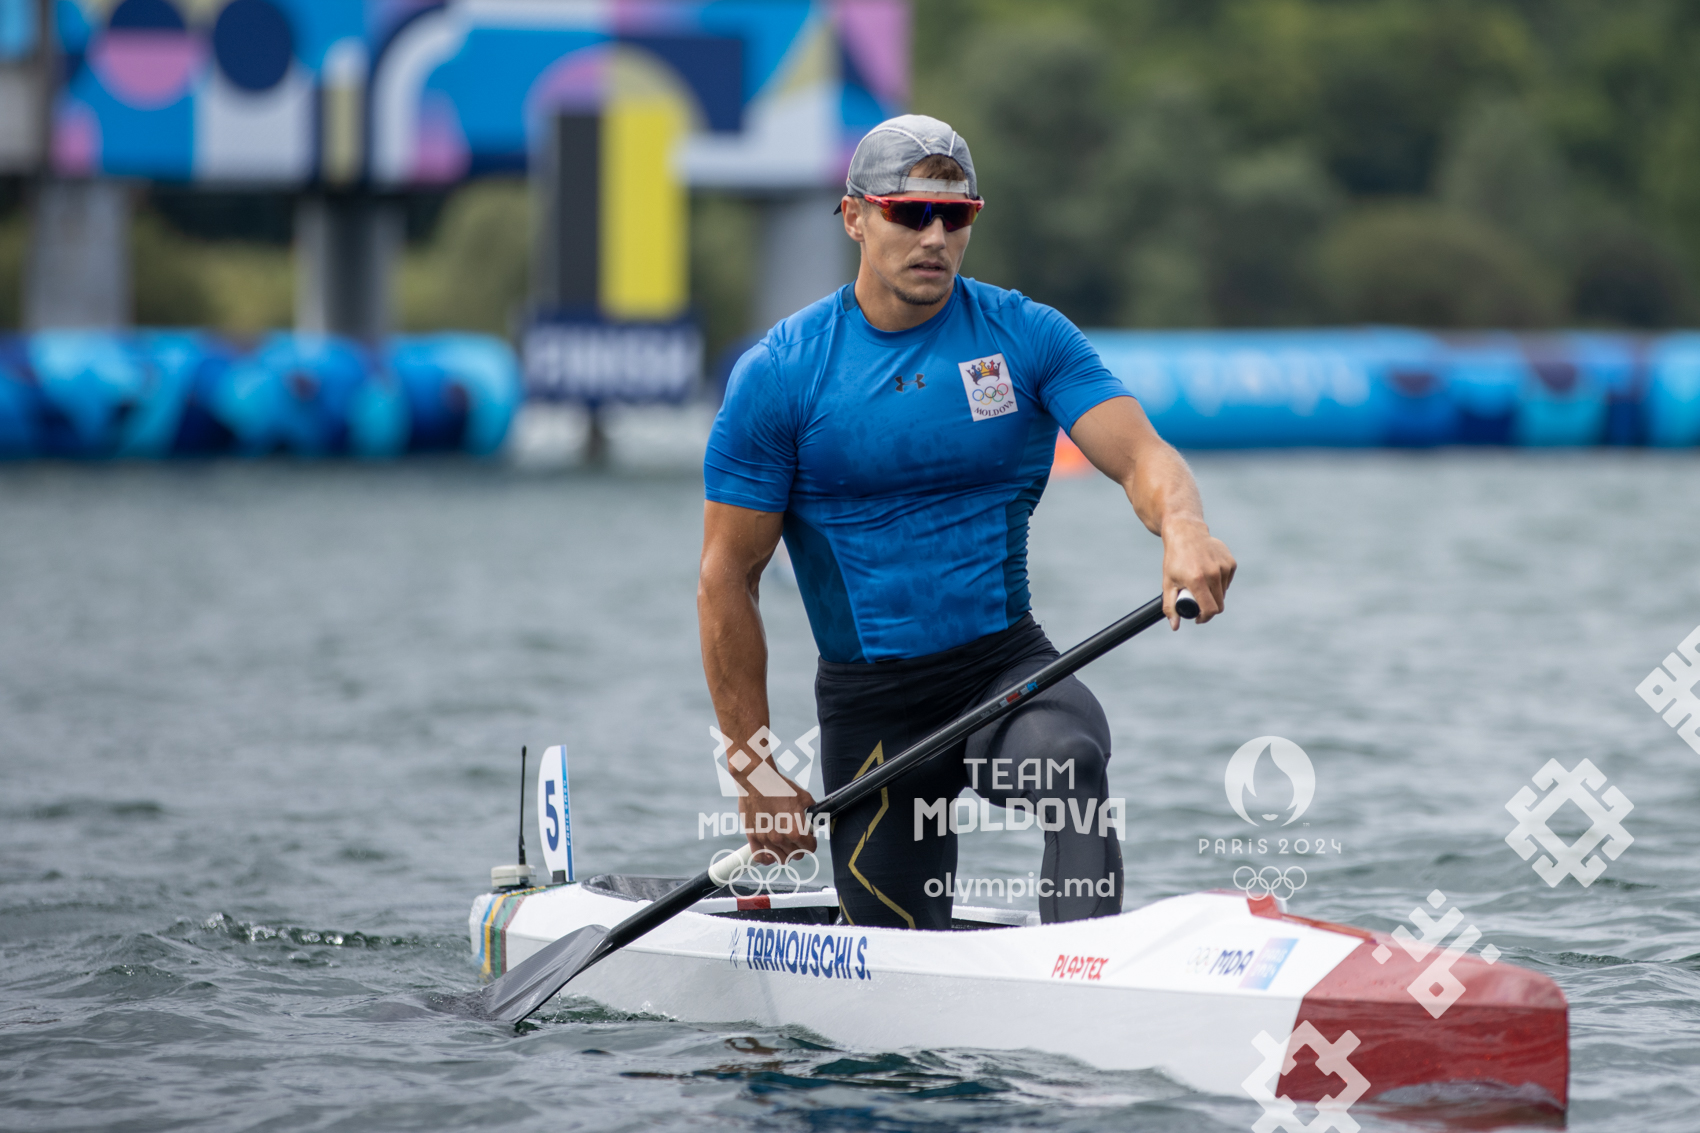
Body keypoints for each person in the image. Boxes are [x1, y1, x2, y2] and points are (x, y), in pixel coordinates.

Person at [697, 115, 1236, 929]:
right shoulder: (781, 374)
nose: (935, 236)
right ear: (854, 217)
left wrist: (1185, 527)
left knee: (1071, 765)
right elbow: (725, 579)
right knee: (887, 996)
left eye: (957, 216)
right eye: (910, 213)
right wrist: (755, 769)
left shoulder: (1025, 335)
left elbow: (1143, 457)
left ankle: (1085, 987)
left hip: (1003, 672)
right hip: (873, 713)